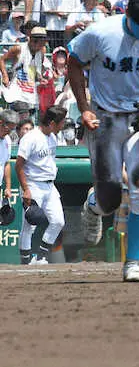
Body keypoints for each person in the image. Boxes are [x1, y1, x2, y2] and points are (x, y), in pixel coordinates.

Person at [68, 0, 139, 282]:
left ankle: (133, 262)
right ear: (127, 15)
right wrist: (84, 107)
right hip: (104, 118)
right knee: (110, 200)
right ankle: (95, 204)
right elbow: (74, 61)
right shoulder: (101, 33)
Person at [16, 105, 67, 265]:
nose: (62, 126)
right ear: (52, 123)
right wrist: (26, 190)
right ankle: (25, 262)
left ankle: (41, 256)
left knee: (58, 221)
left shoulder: (52, 137)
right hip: (33, 184)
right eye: (61, 123)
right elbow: (19, 165)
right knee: (29, 225)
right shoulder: (31, 138)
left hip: (50, 186)